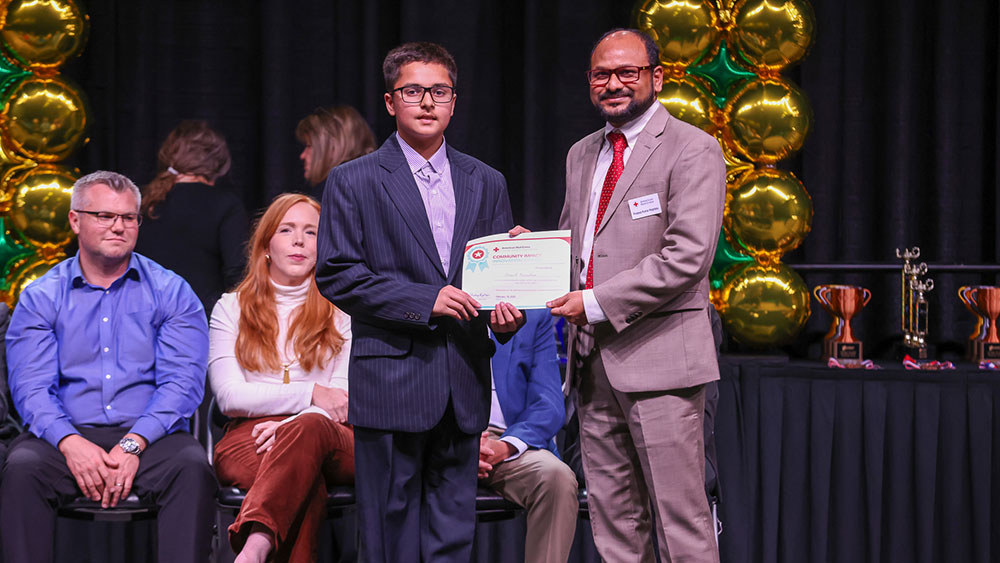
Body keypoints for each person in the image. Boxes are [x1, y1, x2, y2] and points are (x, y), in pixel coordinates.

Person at [315, 41, 524, 562]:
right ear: (390, 102)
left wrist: (508, 316)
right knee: (389, 536)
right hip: (391, 381)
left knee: (453, 536)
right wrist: (424, 300)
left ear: (455, 101)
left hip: (463, 381)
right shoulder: (353, 179)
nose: (427, 101)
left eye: (440, 91)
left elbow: (495, 279)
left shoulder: (486, 181)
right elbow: (337, 273)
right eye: (414, 91)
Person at [546, 28, 725, 562]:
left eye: (628, 72)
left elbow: (687, 257)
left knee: (682, 523)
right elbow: (574, 247)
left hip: (663, 362)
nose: (614, 84)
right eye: (602, 74)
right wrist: (528, 255)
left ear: (657, 77)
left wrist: (594, 303)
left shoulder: (694, 148)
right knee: (615, 524)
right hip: (592, 365)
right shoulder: (583, 154)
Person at [0, 170, 216, 563]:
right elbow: (31, 388)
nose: (119, 226)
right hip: (64, 434)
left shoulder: (171, 291)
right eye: (104, 216)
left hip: (151, 436)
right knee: (22, 469)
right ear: (75, 220)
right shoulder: (41, 296)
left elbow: (183, 384)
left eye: (128, 218)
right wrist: (70, 443)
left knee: (192, 468)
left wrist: (134, 443)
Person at [209, 193, 353, 563]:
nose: (300, 241)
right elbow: (229, 396)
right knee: (304, 481)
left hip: (328, 434)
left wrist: (297, 422)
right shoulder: (231, 308)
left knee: (307, 436)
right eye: (287, 230)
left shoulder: (345, 310)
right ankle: (258, 545)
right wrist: (310, 394)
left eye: (311, 232)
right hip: (250, 437)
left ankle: (253, 548)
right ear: (267, 244)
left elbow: (341, 399)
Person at [479, 309, 579, 563]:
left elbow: (548, 404)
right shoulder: (441, 300)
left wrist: (506, 446)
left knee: (556, 477)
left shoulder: (533, 314)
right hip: (444, 440)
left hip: (508, 442)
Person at [135, 120, 249, 316]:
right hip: (199, 322)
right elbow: (238, 273)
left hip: (144, 319)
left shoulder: (144, 203)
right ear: (219, 162)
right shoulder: (225, 204)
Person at [296, 105, 376, 200]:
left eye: (309, 145)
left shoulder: (334, 192)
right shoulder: (378, 185)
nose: (302, 155)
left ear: (332, 147)